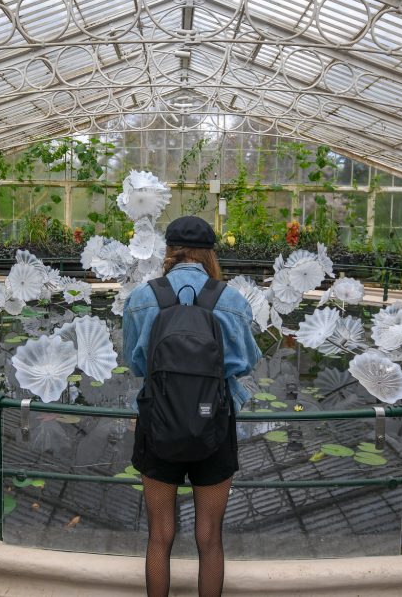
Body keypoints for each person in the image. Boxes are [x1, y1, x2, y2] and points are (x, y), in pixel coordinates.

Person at [122, 216, 261, 597]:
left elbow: (136, 364)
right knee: (210, 537)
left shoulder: (142, 298)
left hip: (157, 425)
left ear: (168, 251)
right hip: (214, 426)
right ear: (209, 254)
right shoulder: (230, 300)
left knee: (159, 535)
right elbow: (246, 361)